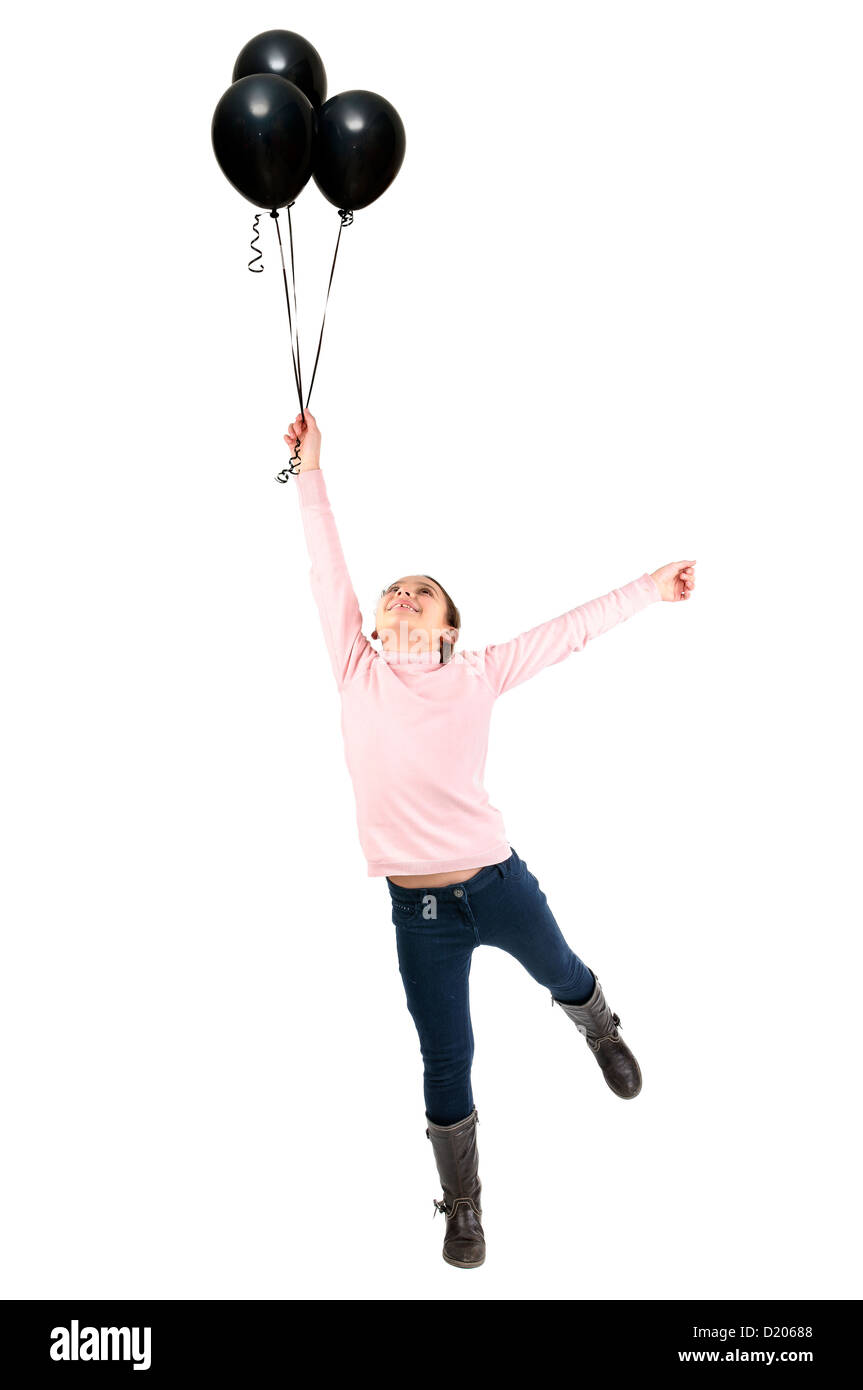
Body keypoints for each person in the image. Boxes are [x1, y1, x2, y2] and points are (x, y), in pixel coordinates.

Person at [284, 410, 695, 1269]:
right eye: (392, 591)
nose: (400, 596)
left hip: (497, 887)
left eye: (420, 593)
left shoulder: (478, 673)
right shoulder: (356, 668)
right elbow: (326, 564)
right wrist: (311, 470)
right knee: (445, 1056)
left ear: (447, 629)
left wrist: (650, 588)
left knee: (562, 971)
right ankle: (463, 1205)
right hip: (420, 916)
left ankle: (599, 1027)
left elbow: (569, 630)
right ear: (373, 624)